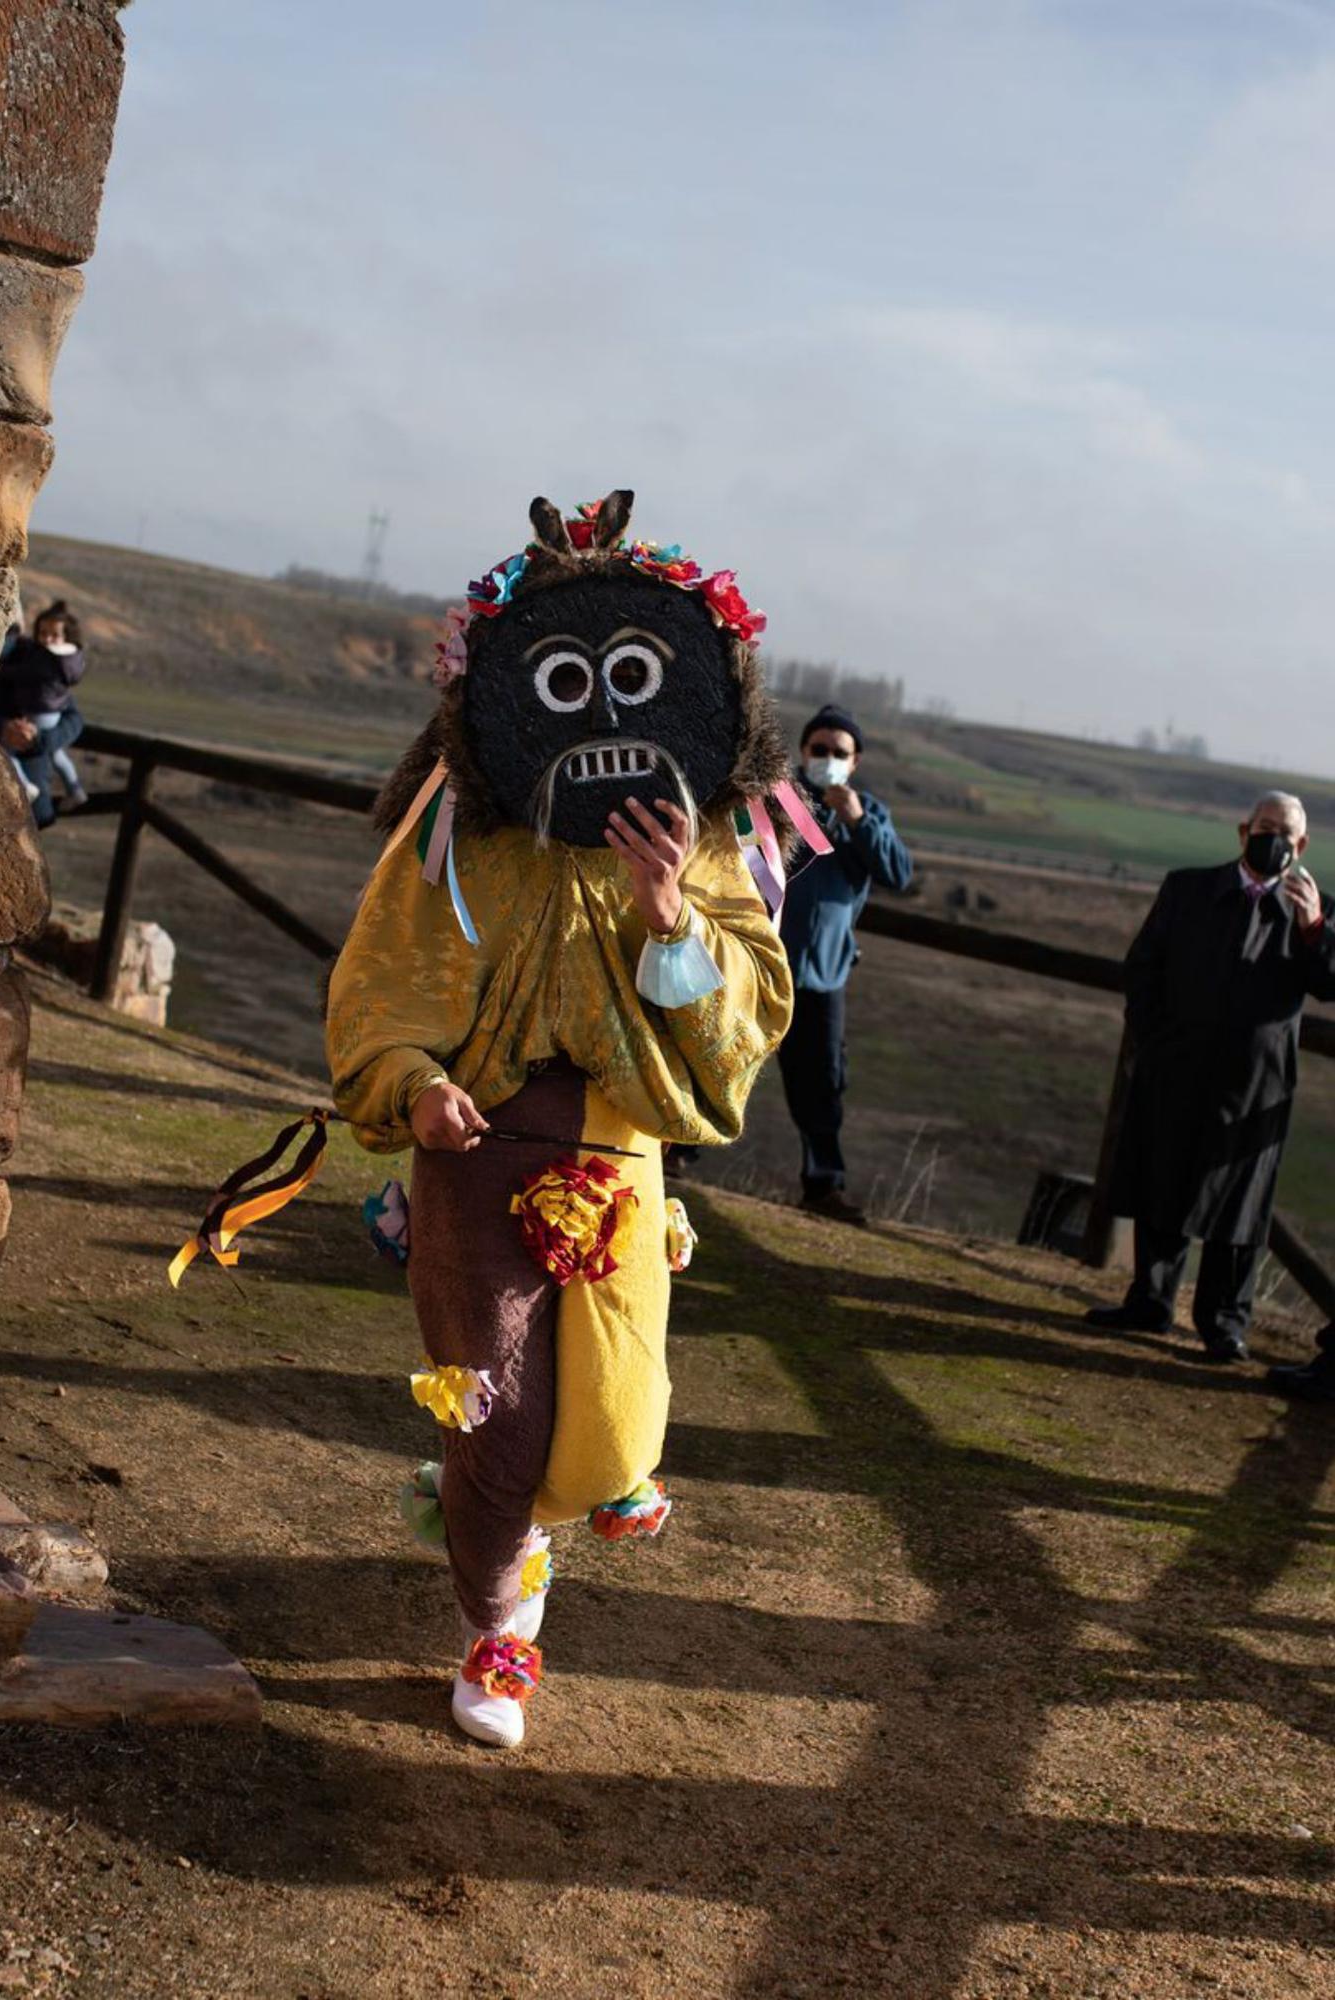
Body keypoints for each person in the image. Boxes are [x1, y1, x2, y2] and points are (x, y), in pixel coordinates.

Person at [326, 490, 793, 1748]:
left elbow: (749, 1006)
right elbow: (380, 991)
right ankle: (496, 1630)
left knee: (609, 1432)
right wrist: (416, 1087)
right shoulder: (461, 837)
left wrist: (669, 917)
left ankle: (518, 1527)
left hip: (621, 1165)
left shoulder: (696, 843)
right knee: (503, 1416)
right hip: (474, 1164)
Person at [1087, 792, 1335, 1362]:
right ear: (1243, 831)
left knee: (1239, 1205)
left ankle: (1224, 1323)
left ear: (1301, 847)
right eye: (1263, 827)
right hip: (1177, 1065)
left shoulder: (1315, 908)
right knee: (1162, 1182)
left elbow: (1330, 983)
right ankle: (1148, 1300)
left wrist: (1314, 927)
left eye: (1285, 833)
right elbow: (1143, 966)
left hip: (1255, 1084)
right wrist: (1153, 1041)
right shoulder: (1188, 889)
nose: (1272, 838)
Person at [775, 703, 913, 1224]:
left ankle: (823, 1186)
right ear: (803, 752)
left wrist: (856, 821)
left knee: (823, 1082)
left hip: (824, 974)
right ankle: (678, 1155)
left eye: (840, 753)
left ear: (854, 763)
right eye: (820, 750)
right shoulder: (777, 801)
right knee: (724, 1059)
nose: (828, 759)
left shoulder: (869, 813)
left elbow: (898, 873)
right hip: (764, 962)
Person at [0, 600, 88, 827]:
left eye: (13, 628)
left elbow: (73, 717)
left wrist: (42, 739)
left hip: (34, 802)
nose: (9, 635)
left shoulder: (40, 657)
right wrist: (1, 728)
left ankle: (71, 788)